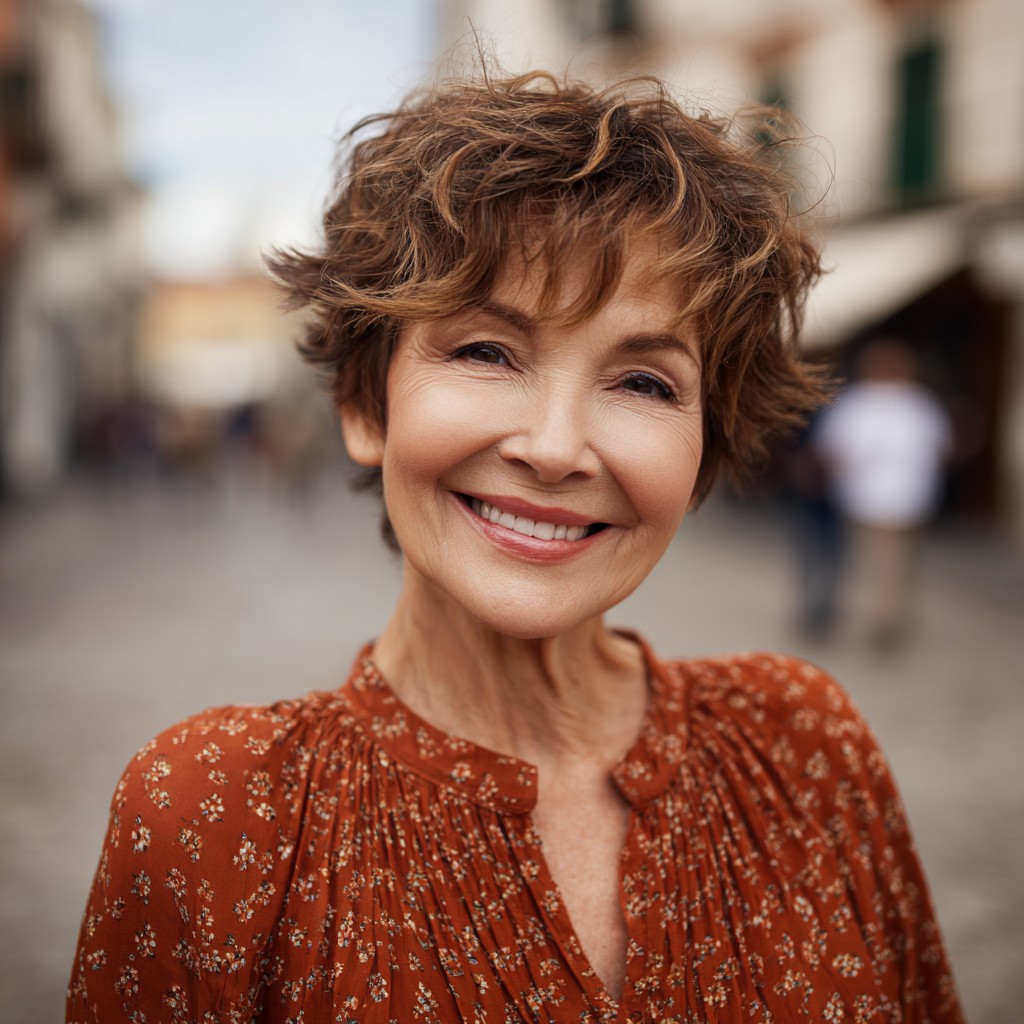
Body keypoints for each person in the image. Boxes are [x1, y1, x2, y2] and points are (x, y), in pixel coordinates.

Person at [66, 70, 963, 1022]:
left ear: (705, 451)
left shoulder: (807, 748)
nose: (554, 447)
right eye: (486, 353)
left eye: (645, 384)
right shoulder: (212, 813)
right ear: (365, 406)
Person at [814, 339, 953, 650]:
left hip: (895, 498)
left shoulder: (905, 404)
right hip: (879, 497)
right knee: (885, 561)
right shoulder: (907, 404)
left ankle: (883, 619)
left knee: (884, 561)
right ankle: (883, 618)